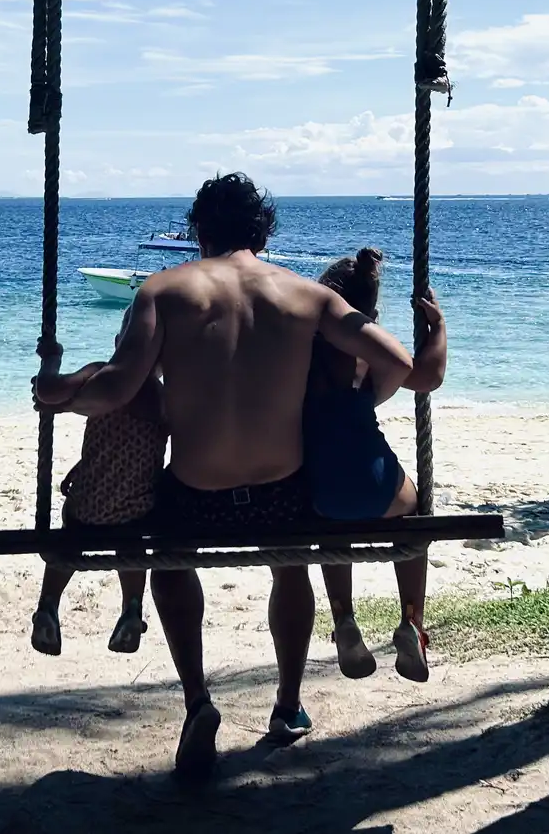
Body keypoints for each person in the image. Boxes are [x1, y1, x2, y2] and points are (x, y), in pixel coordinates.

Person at [36, 172, 418, 780]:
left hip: (196, 496)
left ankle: (197, 702)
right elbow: (398, 361)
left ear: (198, 229)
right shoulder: (306, 295)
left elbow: (117, 389)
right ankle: (288, 704)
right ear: (263, 230)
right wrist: (358, 402)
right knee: (290, 563)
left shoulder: (162, 291)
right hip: (281, 496)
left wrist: (57, 397)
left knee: (165, 551)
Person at [305, 247, 447, 683]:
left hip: (320, 491)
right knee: (415, 512)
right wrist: (437, 327)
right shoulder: (371, 354)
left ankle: (345, 619)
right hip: (376, 483)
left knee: (330, 526)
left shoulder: (302, 352)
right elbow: (428, 376)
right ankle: (411, 621)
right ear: (370, 309)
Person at [31, 313, 168, 658]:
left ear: (118, 342)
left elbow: (46, 391)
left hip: (88, 508)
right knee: (133, 547)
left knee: (69, 536)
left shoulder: (100, 376)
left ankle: (48, 605)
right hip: (138, 513)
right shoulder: (161, 396)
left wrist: (52, 359)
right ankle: (132, 608)